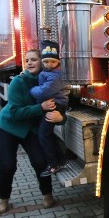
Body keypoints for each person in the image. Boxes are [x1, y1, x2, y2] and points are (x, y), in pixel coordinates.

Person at [0, 49, 62, 213]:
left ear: (42, 62)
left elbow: (59, 104)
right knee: (8, 166)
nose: (29, 63)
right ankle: (3, 198)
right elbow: (15, 112)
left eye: (34, 60)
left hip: (30, 129)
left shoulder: (48, 80)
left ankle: (47, 195)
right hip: (8, 127)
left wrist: (61, 116)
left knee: (40, 162)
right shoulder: (18, 81)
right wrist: (40, 107)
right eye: (27, 60)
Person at [31, 40, 70, 176]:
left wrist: (32, 90)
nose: (49, 64)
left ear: (58, 62)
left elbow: (43, 92)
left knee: (43, 135)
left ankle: (54, 164)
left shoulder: (56, 76)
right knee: (47, 134)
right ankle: (61, 159)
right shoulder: (48, 72)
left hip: (55, 106)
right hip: (52, 105)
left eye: (52, 62)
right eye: (46, 62)